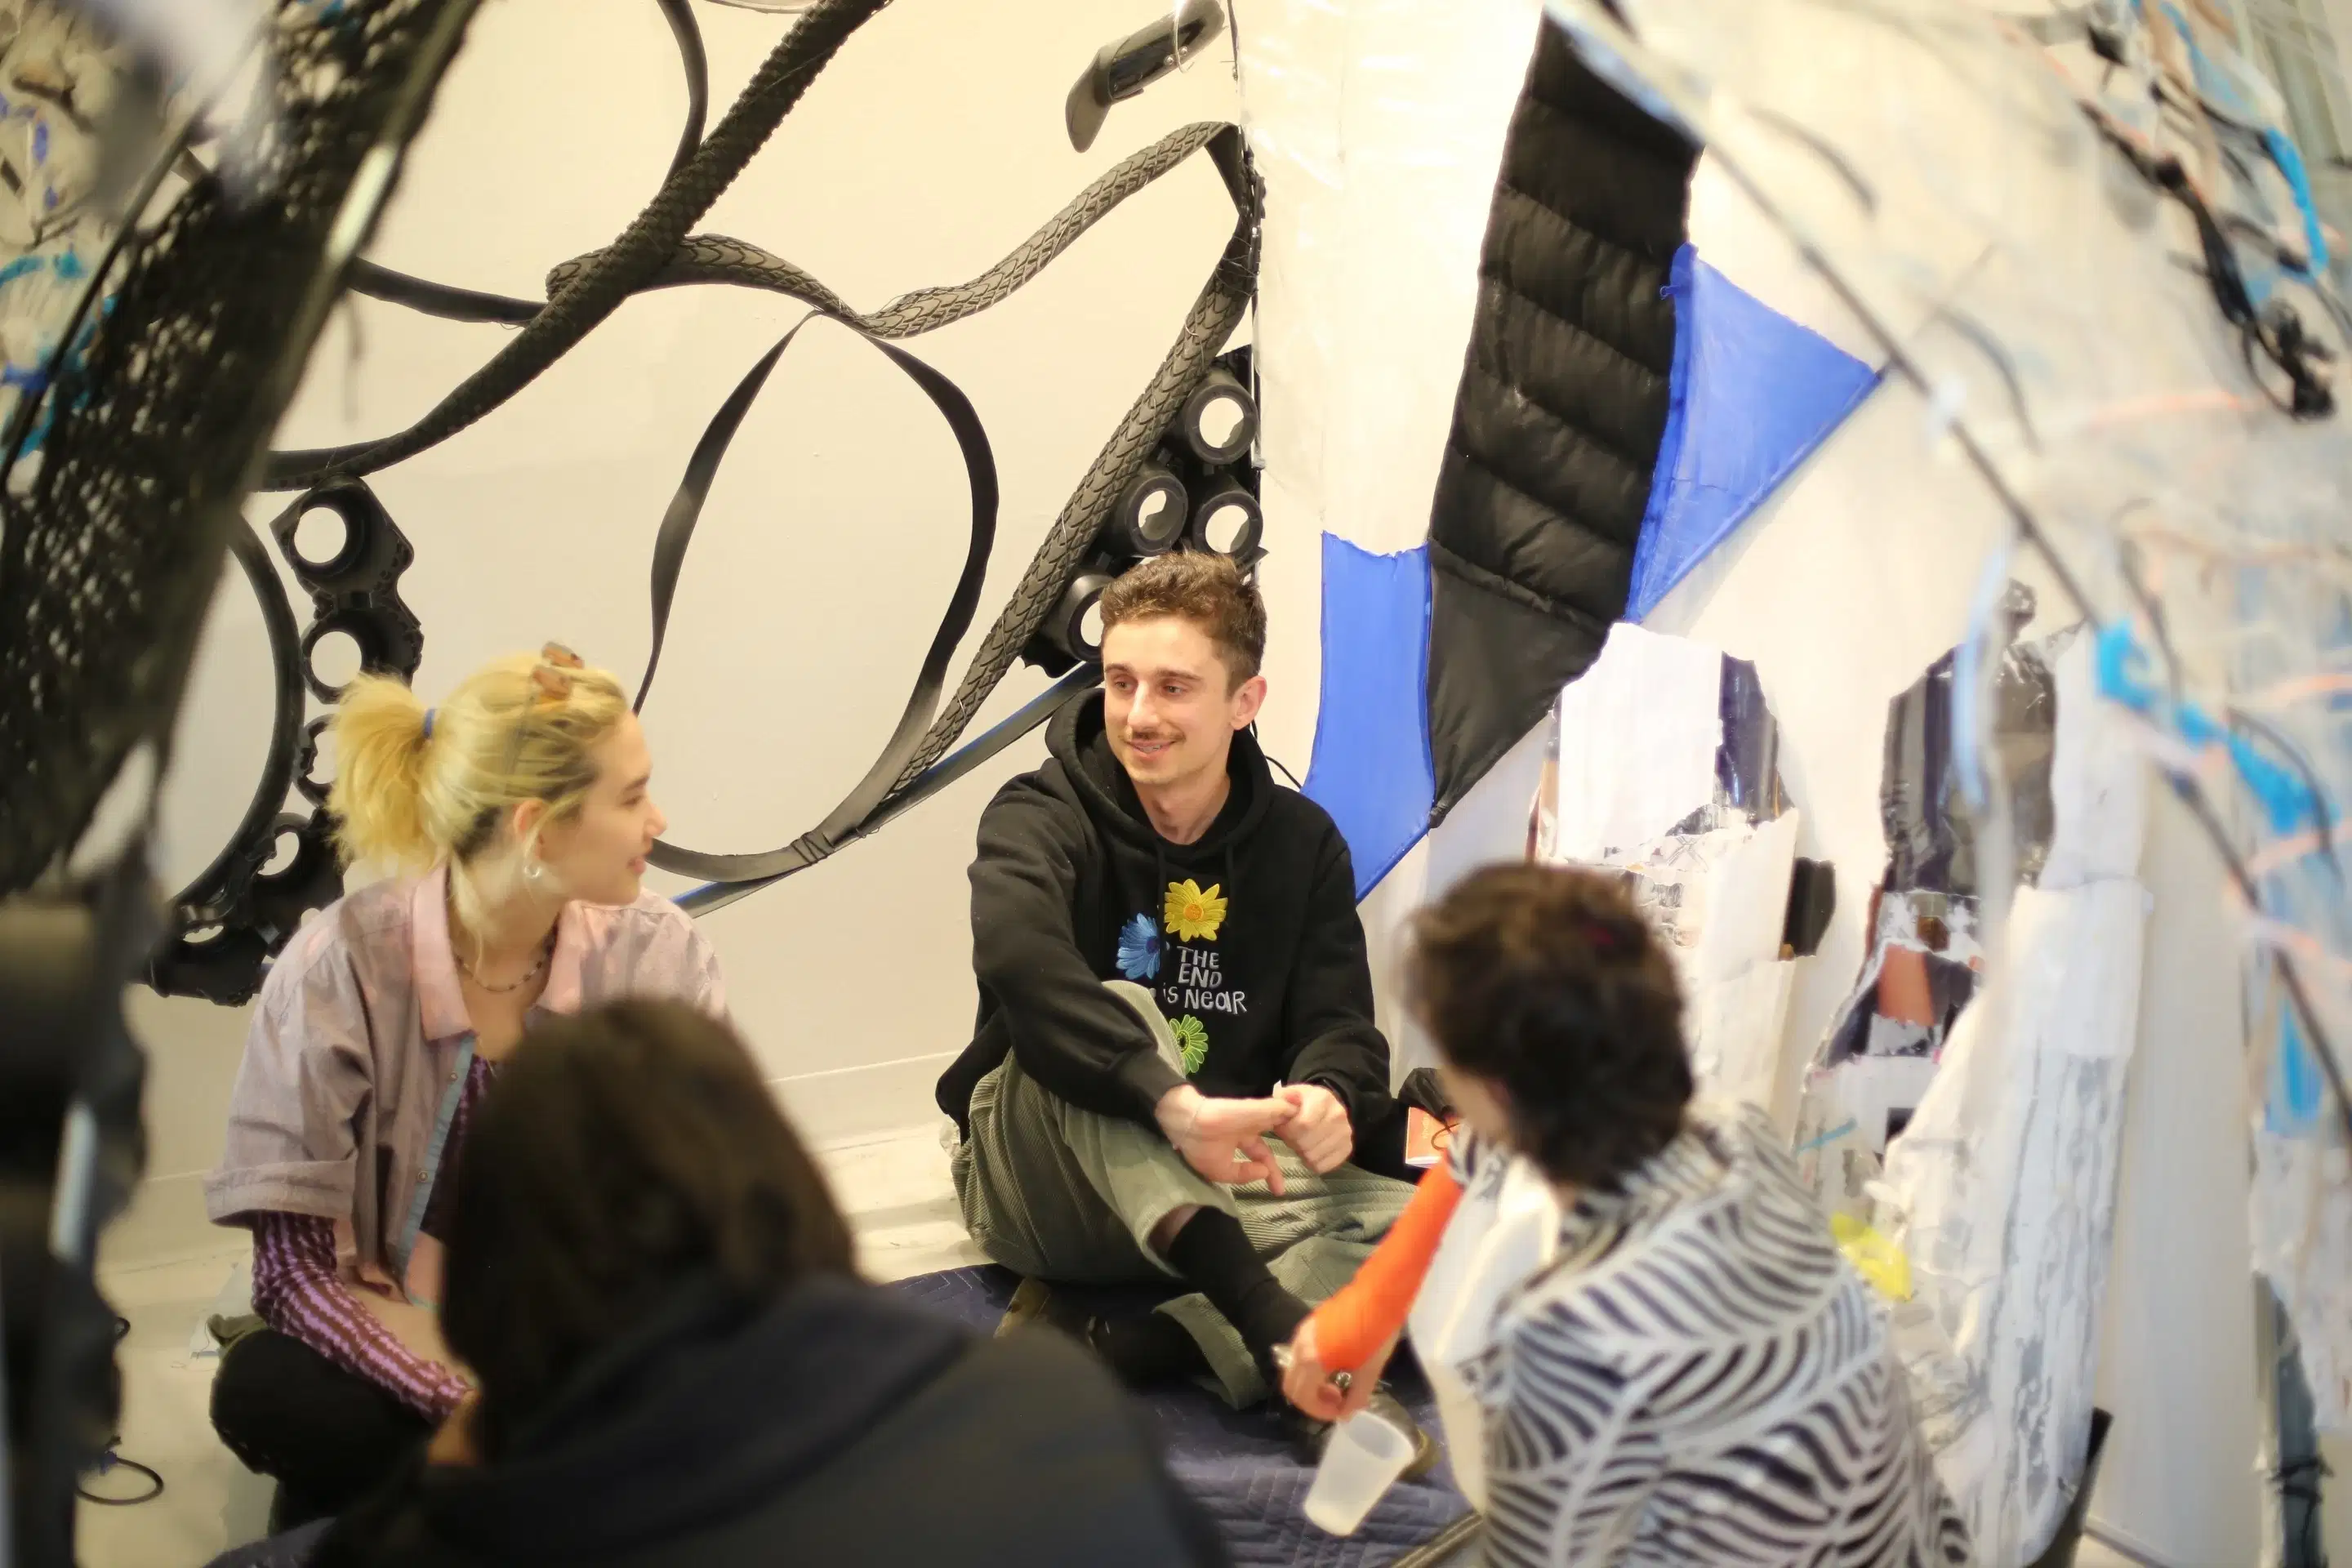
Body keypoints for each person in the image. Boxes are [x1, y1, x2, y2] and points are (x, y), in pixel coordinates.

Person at [303, 1000, 1229, 1568]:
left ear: (503, 1276)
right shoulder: (1051, 1398)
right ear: (788, 1180)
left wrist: (449, 1471)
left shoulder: (480, 1533)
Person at [1276, 864, 1972, 1566]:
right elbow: (1477, 1152)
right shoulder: (1732, 1135)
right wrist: (1364, 1319)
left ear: (1489, 1086)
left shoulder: (1562, 1341)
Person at [205, 644, 725, 1528]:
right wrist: (464, 1401)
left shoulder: (662, 956)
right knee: (269, 1390)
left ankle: (460, 1497)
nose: (657, 821)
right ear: (538, 828)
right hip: (393, 1331)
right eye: (632, 797)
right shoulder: (336, 971)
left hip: (576, 1337)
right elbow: (292, 1272)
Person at [937, 550, 1421, 1419]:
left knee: (1445, 1225)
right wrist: (1172, 1103)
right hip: (1041, 1181)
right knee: (1105, 1013)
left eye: (1173, 688)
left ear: (1246, 703)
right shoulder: (1036, 815)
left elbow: (1338, 1022)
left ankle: (1159, 1343)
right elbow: (1025, 969)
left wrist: (1326, 1093)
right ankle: (1266, 1321)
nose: (1137, 715)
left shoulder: (1302, 845)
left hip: (1214, 1180)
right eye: (1121, 683)